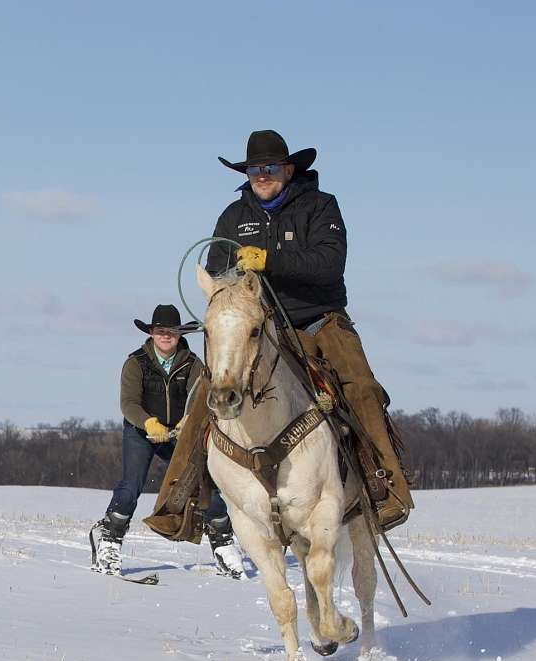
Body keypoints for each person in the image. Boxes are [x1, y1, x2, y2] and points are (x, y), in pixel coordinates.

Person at [145, 130, 413, 537]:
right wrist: (232, 282)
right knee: (207, 392)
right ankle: (176, 503)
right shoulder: (233, 217)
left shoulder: (320, 207)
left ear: (289, 169)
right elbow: (218, 274)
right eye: (255, 169)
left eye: (270, 168)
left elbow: (328, 263)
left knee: (360, 387)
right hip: (258, 327)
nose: (262, 175)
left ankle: (385, 488)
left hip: (317, 320)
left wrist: (272, 259)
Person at [93, 303, 245, 579]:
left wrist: (188, 421)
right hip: (141, 433)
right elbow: (128, 403)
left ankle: (223, 543)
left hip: (179, 435)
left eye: (171, 332)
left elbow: (199, 398)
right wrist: (148, 422)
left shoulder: (193, 364)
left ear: (179, 335)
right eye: (161, 331)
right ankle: (108, 539)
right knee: (131, 486)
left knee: (202, 482)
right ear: (151, 333)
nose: (166, 336)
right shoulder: (135, 363)